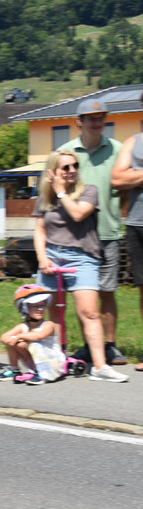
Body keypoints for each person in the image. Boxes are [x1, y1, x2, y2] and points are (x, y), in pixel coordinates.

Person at [33, 149, 127, 383]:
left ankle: (100, 366)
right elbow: (40, 230)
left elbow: (77, 214)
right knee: (53, 313)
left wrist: (61, 191)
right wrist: (42, 258)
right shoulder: (45, 197)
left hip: (82, 256)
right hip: (52, 255)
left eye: (75, 165)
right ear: (53, 171)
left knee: (90, 312)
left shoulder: (89, 191)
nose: (72, 170)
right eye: (65, 167)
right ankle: (55, 361)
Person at [58, 99, 126, 366]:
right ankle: (89, 346)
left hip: (108, 231)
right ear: (79, 122)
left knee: (107, 291)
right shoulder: (66, 153)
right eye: (91, 118)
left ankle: (110, 346)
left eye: (101, 118)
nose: (97, 123)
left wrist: (114, 213)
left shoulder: (118, 150)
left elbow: (124, 191)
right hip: (76, 236)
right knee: (83, 293)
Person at [110, 91, 143, 372]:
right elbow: (118, 178)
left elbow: (128, 176)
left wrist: (136, 175)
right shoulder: (134, 142)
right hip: (137, 223)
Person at [0, 284, 65, 385]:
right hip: (37, 364)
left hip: (53, 364)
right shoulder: (23, 326)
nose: (40, 309)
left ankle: (42, 375)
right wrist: (14, 340)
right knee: (15, 342)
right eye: (36, 306)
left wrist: (19, 336)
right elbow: (3, 337)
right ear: (25, 308)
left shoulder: (49, 324)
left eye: (42, 305)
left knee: (35, 343)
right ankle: (14, 370)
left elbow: (39, 336)